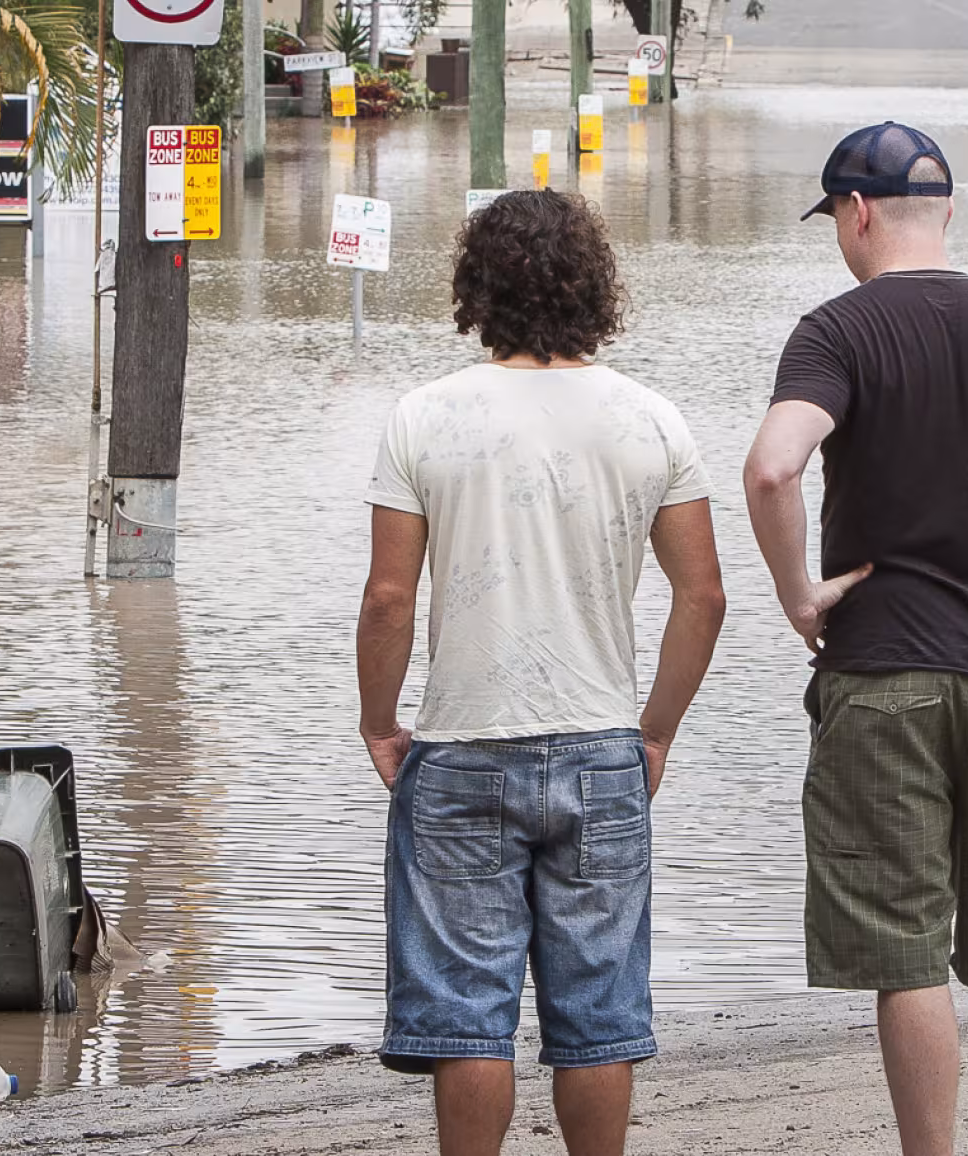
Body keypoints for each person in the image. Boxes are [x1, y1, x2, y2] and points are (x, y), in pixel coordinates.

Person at [742, 123, 968, 1156]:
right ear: (944, 210)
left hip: (881, 669)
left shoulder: (835, 332)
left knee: (907, 956)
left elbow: (771, 468)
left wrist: (797, 594)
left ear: (853, 214)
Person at [356, 189, 727, 1156]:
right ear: (594, 286)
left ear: (476, 285)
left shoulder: (423, 417)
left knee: (467, 1015)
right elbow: (705, 597)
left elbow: (389, 599)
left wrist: (378, 720)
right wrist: (654, 732)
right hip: (602, 745)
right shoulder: (651, 420)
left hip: (462, 747)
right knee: (598, 1011)